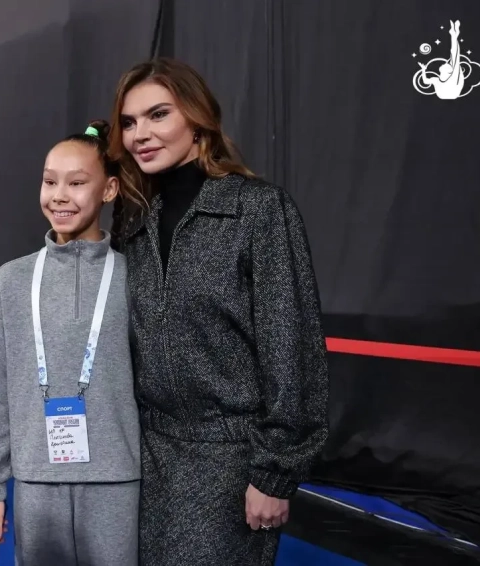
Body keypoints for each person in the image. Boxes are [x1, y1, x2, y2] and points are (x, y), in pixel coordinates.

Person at [107, 58, 329, 565]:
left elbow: (291, 348)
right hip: (146, 455)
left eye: (158, 114)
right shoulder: (135, 226)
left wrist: (274, 474)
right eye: (129, 122)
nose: (141, 134)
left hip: (231, 460)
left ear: (198, 118)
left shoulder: (258, 210)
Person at [0, 120, 141, 566]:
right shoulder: (10, 281)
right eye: (50, 182)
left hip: (117, 483)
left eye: (77, 183)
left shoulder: (134, 278)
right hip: (35, 483)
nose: (60, 195)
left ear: (108, 190)